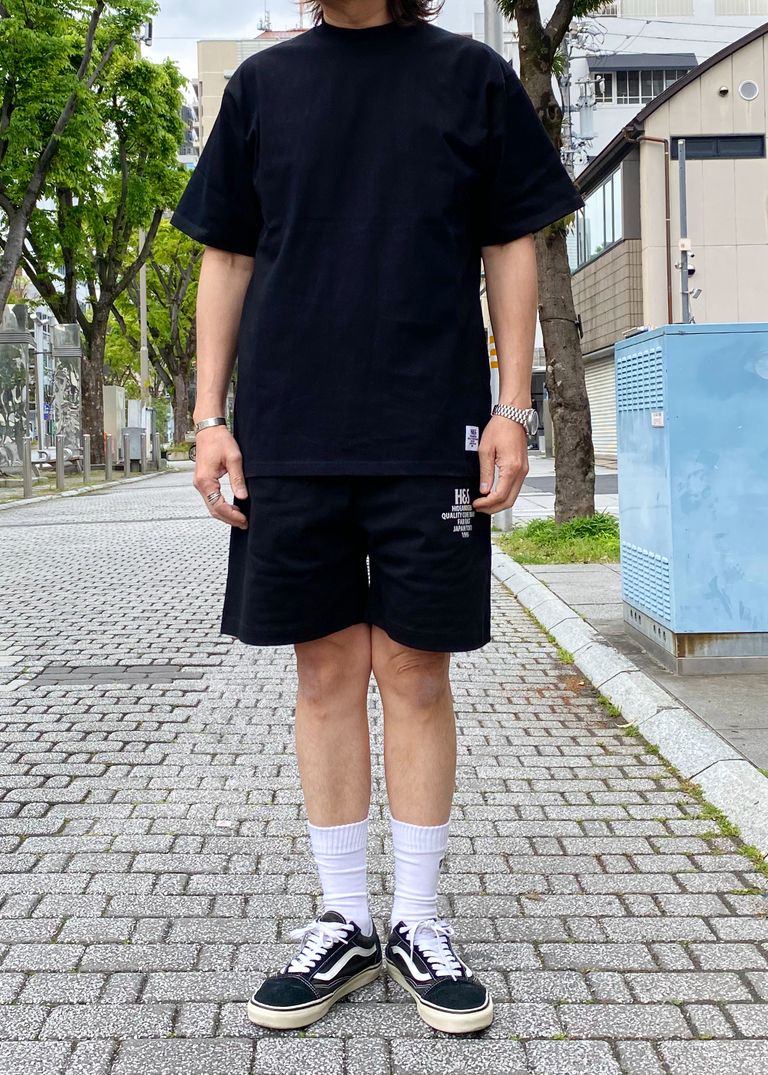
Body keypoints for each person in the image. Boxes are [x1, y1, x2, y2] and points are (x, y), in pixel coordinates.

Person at [170, 0, 584, 1036]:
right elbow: (226, 255)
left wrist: (513, 404)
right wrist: (210, 418)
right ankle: (347, 916)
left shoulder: (471, 76)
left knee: (415, 669)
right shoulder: (263, 86)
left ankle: (419, 916)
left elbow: (511, 240)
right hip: (290, 432)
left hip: (428, 427)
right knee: (323, 670)